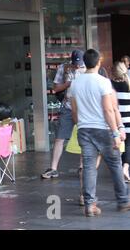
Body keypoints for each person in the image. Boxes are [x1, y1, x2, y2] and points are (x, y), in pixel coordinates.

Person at [71, 49, 130, 216]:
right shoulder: (103, 82)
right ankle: (123, 200)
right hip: (103, 129)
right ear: (98, 63)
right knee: (115, 165)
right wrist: (116, 132)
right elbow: (108, 110)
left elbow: (74, 111)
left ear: (84, 62)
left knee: (89, 167)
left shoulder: (75, 83)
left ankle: (90, 204)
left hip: (84, 129)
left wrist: (81, 124)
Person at [41, 50, 86, 179]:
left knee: (83, 136)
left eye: (80, 64)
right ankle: (53, 168)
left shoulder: (87, 68)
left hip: (83, 108)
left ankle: (82, 166)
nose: (77, 66)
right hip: (67, 107)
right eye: (75, 63)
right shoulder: (63, 68)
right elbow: (55, 89)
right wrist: (68, 83)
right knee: (59, 137)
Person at [110, 61, 130, 181]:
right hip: (129, 120)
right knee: (128, 144)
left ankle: (118, 169)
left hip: (116, 121)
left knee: (117, 145)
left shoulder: (109, 85)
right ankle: (125, 168)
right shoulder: (128, 84)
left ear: (113, 72)